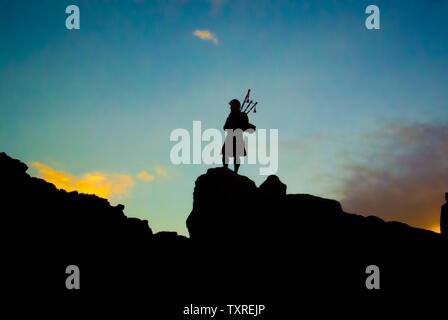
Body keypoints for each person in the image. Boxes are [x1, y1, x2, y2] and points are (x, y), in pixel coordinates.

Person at [222, 99, 256, 173]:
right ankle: (225, 168)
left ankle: (235, 172)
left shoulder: (243, 115)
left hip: (238, 136)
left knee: (236, 155)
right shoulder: (230, 116)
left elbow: (245, 124)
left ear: (236, 106)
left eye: (232, 106)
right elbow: (224, 127)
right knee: (225, 154)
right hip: (230, 135)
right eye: (231, 106)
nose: (230, 108)